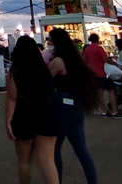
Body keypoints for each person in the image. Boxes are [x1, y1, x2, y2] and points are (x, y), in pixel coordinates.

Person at [48, 28, 100, 184]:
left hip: (61, 109)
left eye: (50, 40)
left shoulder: (57, 61)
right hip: (76, 106)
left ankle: (57, 180)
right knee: (82, 151)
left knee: (54, 151)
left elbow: (45, 81)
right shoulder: (74, 59)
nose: (49, 43)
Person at [5, 36, 60, 184]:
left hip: (23, 114)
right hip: (47, 113)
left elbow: (12, 98)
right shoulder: (44, 69)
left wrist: (8, 122)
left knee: (24, 161)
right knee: (48, 161)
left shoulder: (15, 71)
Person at [82, 33, 122, 119]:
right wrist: (115, 64)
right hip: (103, 73)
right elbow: (105, 59)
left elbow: (85, 61)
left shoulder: (87, 49)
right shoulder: (99, 48)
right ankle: (115, 111)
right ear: (98, 39)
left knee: (99, 93)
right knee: (111, 91)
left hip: (93, 74)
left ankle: (104, 111)